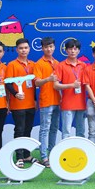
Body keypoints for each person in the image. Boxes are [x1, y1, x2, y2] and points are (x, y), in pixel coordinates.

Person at [5, 38, 37, 167]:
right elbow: (8, 83)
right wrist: (15, 94)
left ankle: (27, 155)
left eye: (26, 48)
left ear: (29, 49)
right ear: (17, 50)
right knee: (19, 130)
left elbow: (34, 85)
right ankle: (19, 157)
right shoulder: (12, 65)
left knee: (28, 130)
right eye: (21, 48)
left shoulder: (33, 65)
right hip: (18, 104)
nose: (23, 50)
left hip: (30, 104)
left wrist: (35, 100)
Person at [34, 37, 61, 168]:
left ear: (54, 47)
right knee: (45, 129)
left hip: (58, 101)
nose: (48, 49)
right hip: (46, 101)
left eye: (50, 46)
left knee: (54, 129)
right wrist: (48, 79)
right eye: (46, 47)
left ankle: (52, 154)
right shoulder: (39, 64)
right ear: (42, 48)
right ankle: (44, 157)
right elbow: (37, 82)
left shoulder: (58, 63)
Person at [54, 38, 87, 139]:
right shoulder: (61, 65)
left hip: (81, 103)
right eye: (70, 49)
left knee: (81, 132)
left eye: (75, 49)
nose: (73, 51)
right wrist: (71, 85)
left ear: (79, 51)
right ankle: (66, 150)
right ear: (66, 50)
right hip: (67, 103)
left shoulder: (83, 65)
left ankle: (80, 149)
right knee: (66, 132)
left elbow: (87, 84)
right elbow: (55, 85)